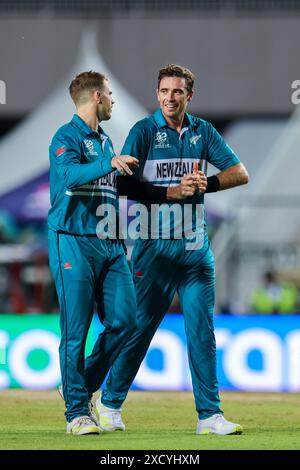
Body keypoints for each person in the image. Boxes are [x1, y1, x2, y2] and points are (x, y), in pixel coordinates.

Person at [48, 70, 203, 435]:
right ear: (97, 98)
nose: (115, 100)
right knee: (76, 330)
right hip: (72, 240)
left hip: (111, 244)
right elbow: (69, 176)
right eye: (111, 94)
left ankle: (81, 386)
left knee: (127, 322)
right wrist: (109, 164)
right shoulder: (66, 136)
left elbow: (123, 187)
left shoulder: (105, 142)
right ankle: (76, 414)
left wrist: (171, 193)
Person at [98, 64, 249, 435]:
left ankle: (209, 416)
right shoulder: (145, 131)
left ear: (189, 96)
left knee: (202, 331)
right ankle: (109, 401)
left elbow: (241, 172)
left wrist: (207, 184)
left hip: (196, 249)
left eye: (177, 92)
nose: (169, 97)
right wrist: (171, 192)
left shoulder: (203, 131)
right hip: (153, 249)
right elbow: (123, 185)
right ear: (157, 94)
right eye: (164, 91)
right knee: (140, 330)